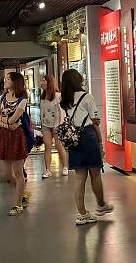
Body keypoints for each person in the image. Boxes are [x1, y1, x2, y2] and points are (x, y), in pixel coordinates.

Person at [60, 68, 113, 226]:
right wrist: (100, 142)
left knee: (79, 178)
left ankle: (81, 214)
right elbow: (95, 122)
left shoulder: (65, 100)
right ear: (78, 81)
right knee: (95, 174)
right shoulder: (86, 96)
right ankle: (101, 205)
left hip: (73, 138)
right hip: (88, 136)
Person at [0, 72, 30, 216]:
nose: (5, 81)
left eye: (8, 79)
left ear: (15, 82)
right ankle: (24, 192)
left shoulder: (22, 100)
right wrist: (7, 124)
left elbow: (12, 118)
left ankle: (18, 204)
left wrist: (5, 120)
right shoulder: (1, 98)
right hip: (5, 135)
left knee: (18, 172)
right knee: (8, 175)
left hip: (17, 137)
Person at [39, 74, 68, 178]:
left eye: (44, 81)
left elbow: (60, 112)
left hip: (57, 125)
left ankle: (64, 167)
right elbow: (42, 111)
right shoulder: (43, 97)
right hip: (46, 124)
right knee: (47, 146)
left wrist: (57, 126)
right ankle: (47, 169)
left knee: (59, 145)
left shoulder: (57, 96)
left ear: (49, 83)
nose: (42, 83)